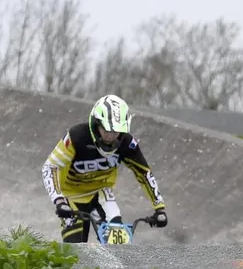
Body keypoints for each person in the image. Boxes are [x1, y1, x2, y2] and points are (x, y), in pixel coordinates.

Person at [41, 94, 168, 242]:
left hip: (101, 193)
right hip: (71, 196)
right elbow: (50, 166)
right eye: (106, 130)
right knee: (75, 251)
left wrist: (159, 207)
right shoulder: (77, 137)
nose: (110, 137)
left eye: (115, 132)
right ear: (96, 124)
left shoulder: (127, 143)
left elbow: (144, 174)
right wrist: (59, 201)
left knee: (118, 244)